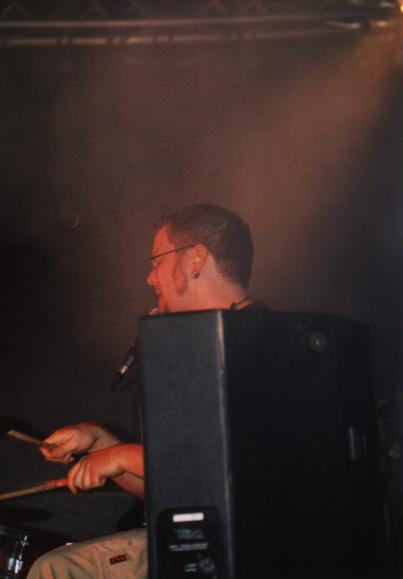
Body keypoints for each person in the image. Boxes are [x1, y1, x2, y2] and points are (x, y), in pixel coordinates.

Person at [27, 203, 260, 579]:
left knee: (56, 569)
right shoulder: (193, 347)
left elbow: (227, 475)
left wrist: (121, 455)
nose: (151, 279)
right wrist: (101, 445)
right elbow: (175, 491)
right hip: (192, 532)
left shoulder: (259, 345)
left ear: (195, 258)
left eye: (157, 262)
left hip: (237, 543)